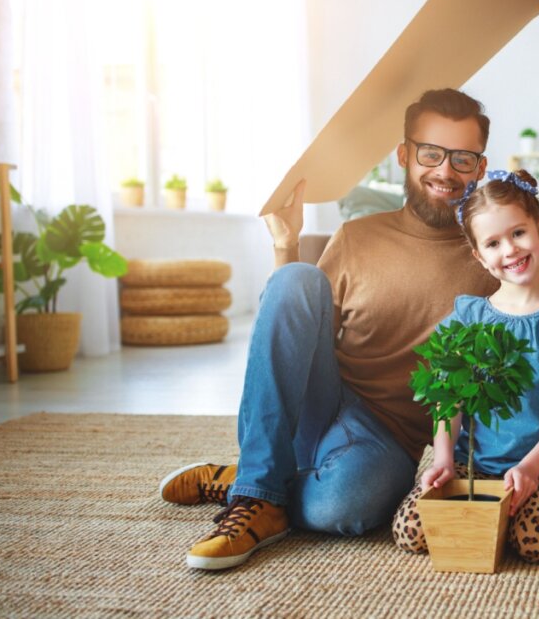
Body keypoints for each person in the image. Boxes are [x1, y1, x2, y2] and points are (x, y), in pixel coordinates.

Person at [157, 89, 501, 570]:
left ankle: (255, 480)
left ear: (480, 168)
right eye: (431, 153)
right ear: (404, 155)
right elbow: (297, 326)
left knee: (342, 511)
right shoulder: (357, 236)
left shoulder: (493, 254)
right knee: (298, 276)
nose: (445, 171)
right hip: (324, 401)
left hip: (390, 437)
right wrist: (287, 245)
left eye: (463, 158)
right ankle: (256, 494)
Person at [391, 169, 539, 563]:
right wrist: (443, 458)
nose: (510, 250)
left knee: (536, 543)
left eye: (518, 233)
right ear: (479, 256)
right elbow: (448, 400)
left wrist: (530, 469)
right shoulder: (467, 317)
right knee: (411, 532)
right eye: (493, 243)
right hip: (470, 461)